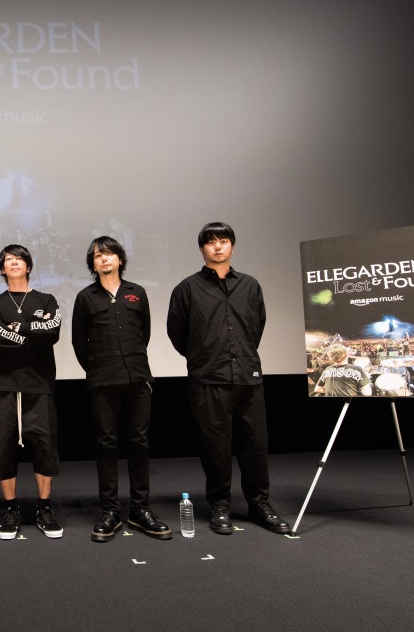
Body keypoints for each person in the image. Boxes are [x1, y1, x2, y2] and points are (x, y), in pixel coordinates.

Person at [167, 222, 291, 535]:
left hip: (248, 377)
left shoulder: (250, 285)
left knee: (255, 445)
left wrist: (241, 356)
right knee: (215, 447)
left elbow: (257, 326)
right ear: (202, 249)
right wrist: (204, 357)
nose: (218, 246)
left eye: (223, 241)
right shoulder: (187, 288)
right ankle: (220, 504)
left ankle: (259, 503)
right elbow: (177, 334)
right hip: (208, 378)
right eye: (211, 242)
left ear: (232, 246)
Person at [71, 236, 171, 542]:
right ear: (92, 264)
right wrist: (98, 369)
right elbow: (79, 342)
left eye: (109, 254)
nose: (104, 259)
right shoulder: (85, 297)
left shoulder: (137, 293)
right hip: (103, 381)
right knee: (106, 444)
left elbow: (144, 334)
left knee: (139, 443)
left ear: (120, 259)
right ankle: (110, 511)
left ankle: (140, 509)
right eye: (97, 256)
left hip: (138, 379)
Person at [0, 244, 63, 539]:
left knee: (45, 446)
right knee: (3, 447)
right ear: (2, 269)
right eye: (8, 259)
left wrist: (21, 328)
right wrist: (33, 332)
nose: (14, 262)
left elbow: (53, 331)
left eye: (19, 259)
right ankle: (11, 509)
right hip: (2, 384)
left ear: (28, 266)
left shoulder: (46, 299)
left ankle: (44, 508)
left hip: (38, 384)